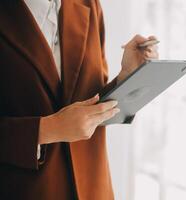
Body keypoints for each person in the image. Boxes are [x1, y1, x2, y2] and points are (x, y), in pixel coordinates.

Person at [0, 0, 159, 199]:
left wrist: (126, 78)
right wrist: (48, 129)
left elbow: (92, 100)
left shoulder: (89, 4)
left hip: (94, 187)